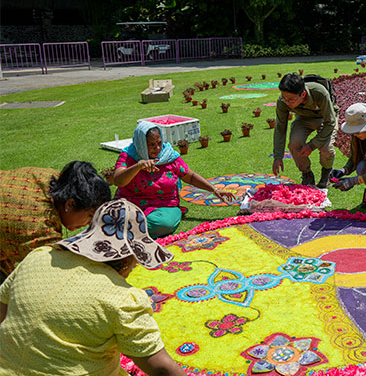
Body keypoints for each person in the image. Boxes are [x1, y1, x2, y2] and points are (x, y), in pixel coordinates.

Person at [0, 199, 186, 375]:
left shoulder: (38, 256)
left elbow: (2, 313)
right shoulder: (123, 299)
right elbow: (162, 370)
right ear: (129, 258)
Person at [113, 121, 234, 239]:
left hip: (163, 206)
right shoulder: (129, 156)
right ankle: (129, 228)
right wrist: (138, 166)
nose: (157, 148)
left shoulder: (168, 155)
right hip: (130, 204)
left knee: (162, 223)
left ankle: (127, 230)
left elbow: (190, 176)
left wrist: (214, 189)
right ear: (141, 143)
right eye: (151, 145)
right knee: (113, 216)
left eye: (159, 143)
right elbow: (118, 181)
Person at [0, 161, 111, 283]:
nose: (89, 223)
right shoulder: (40, 229)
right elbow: (56, 273)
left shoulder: (58, 180)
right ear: (70, 204)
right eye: (90, 216)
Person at [272, 73, 339, 188]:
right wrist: (278, 156)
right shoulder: (282, 101)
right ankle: (307, 174)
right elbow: (280, 128)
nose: (287, 102)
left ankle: (326, 173)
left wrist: (312, 145)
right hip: (303, 118)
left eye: (291, 100)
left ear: (303, 94)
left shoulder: (319, 92)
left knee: (326, 147)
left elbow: (330, 122)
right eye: (285, 98)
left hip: (325, 118)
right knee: (294, 144)